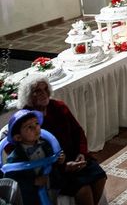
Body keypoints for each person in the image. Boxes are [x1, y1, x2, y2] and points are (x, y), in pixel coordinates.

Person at [18, 75, 107, 205]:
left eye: (45, 89)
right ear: (28, 96)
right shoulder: (26, 117)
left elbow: (78, 132)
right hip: (52, 165)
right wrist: (63, 166)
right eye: (37, 91)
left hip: (74, 156)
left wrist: (81, 153)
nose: (43, 94)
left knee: (100, 177)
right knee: (83, 191)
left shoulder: (59, 106)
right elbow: (18, 147)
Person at [5, 109, 64, 205]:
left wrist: (59, 160)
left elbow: (53, 162)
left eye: (36, 123)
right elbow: (13, 183)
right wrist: (33, 182)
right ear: (18, 137)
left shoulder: (47, 145)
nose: (36, 128)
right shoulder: (14, 159)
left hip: (51, 189)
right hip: (31, 198)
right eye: (29, 127)